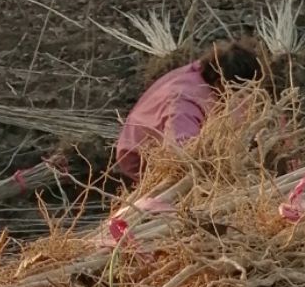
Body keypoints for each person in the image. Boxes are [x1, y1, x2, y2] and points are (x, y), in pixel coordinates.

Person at [114, 40, 265, 181]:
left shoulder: (208, 73)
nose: (246, 96)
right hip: (142, 158)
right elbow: (182, 157)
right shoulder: (183, 104)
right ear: (221, 83)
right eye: (241, 91)